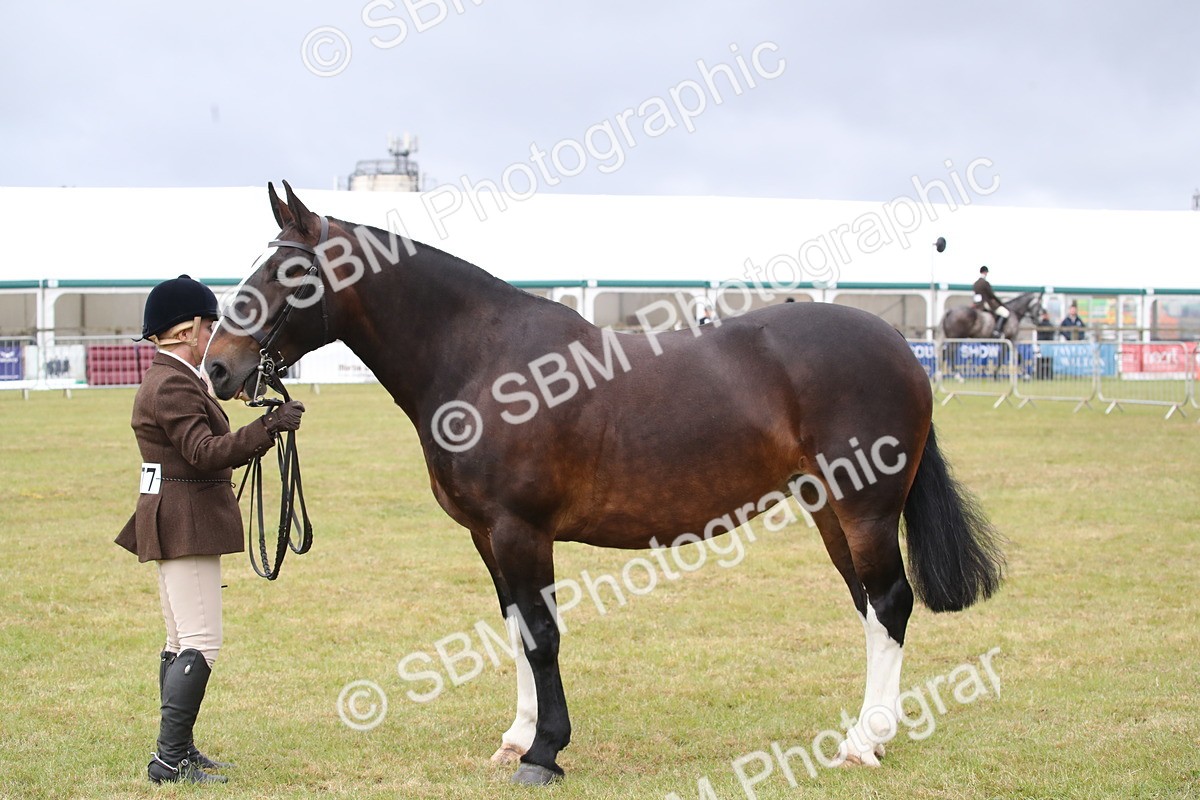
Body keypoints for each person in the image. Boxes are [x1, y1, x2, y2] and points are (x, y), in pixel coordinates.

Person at [115, 275, 305, 784]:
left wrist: (245, 410)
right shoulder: (173, 382)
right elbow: (203, 453)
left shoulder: (174, 377)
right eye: (208, 326)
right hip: (187, 518)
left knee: (179, 640)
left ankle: (180, 751)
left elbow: (200, 439)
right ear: (186, 330)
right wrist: (269, 428)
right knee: (201, 641)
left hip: (176, 513)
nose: (213, 336)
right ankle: (169, 759)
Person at [972, 266, 1009, 337]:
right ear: (985, 272)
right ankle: (997, 330)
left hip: (977, 304)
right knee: (1005, 313)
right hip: (985, 303)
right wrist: (1001, 303)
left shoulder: (975, 283)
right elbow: (992, 295)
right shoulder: (985, 283)